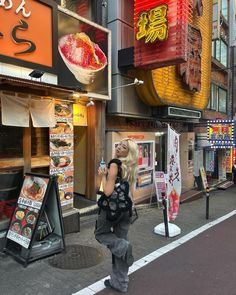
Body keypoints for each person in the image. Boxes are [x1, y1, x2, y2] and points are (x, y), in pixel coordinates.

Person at [94, 138, 138, 293]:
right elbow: (130, 191)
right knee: (121, 242)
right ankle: (120, 282)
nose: (119, 147)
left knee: (101, 234)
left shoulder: (114, 163)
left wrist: (103, 175)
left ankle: (123, 247)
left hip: (110, 210)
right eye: (119, 144)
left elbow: (107, 191)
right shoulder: (131, 167)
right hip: (126, 209)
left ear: (128, 152)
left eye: (123, 147)